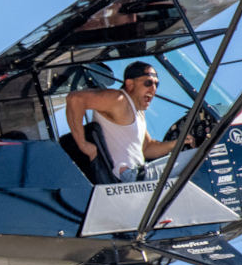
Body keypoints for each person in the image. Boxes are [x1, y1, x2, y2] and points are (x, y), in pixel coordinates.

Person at [64, 61, 193, 182]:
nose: (153, 89)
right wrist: (83, 145)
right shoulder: (119, 100)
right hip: (130, 176)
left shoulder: (136, 111)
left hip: (138, 174)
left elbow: (147, 148)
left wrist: (178, 142)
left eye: (156, 84)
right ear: (130, 84)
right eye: (148, 83)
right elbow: (75, 99)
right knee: (202, 154)